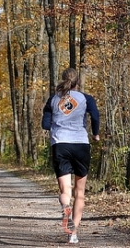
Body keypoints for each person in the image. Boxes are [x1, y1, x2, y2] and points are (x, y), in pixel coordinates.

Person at [41, 67, 100, 244]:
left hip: (60, 144)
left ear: (63, 79)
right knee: (79, 192)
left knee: (65, 190)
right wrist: (95, 134)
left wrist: (56, 125)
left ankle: (65, 206)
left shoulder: (53, 99)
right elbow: (95, 117)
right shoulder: (86, 98)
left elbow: (45, 124)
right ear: (78, 82)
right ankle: (73, 234)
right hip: (81, 144)